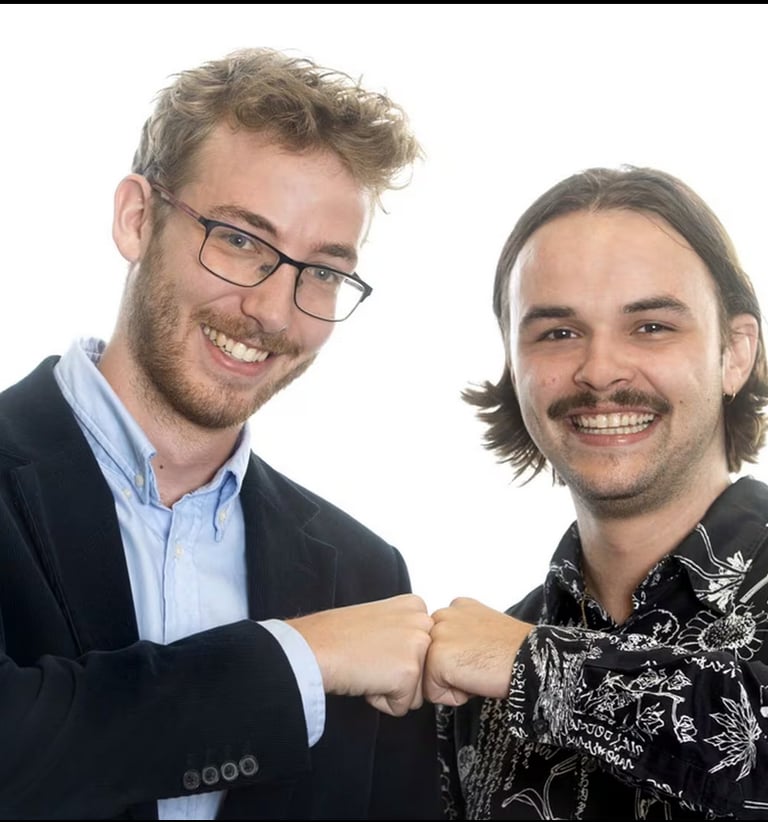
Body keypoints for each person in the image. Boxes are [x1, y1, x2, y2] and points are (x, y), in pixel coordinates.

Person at [0, 47, 442, 820]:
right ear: (138, 219)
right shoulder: (345, 632)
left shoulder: (366, 577)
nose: (274, 312)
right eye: (241, 241)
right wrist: (301, 659)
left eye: (323, 272)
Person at [423, 165, 768, 819]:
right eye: (557, 333)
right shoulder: (467, 678)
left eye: (651, 327)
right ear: (515, 367)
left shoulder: (500, 656)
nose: (600, 369)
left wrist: (534, 669)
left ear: (734, 352)